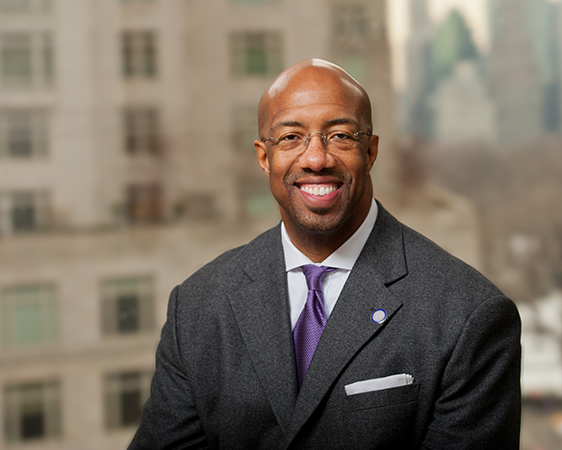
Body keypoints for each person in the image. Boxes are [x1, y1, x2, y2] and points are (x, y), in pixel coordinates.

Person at [129, 59, 521, 449]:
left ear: (370, 152)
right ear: (264, 158)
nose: (316, 159)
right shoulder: (197, 306)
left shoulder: (469, 314)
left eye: (340, 136)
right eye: (291, 138)